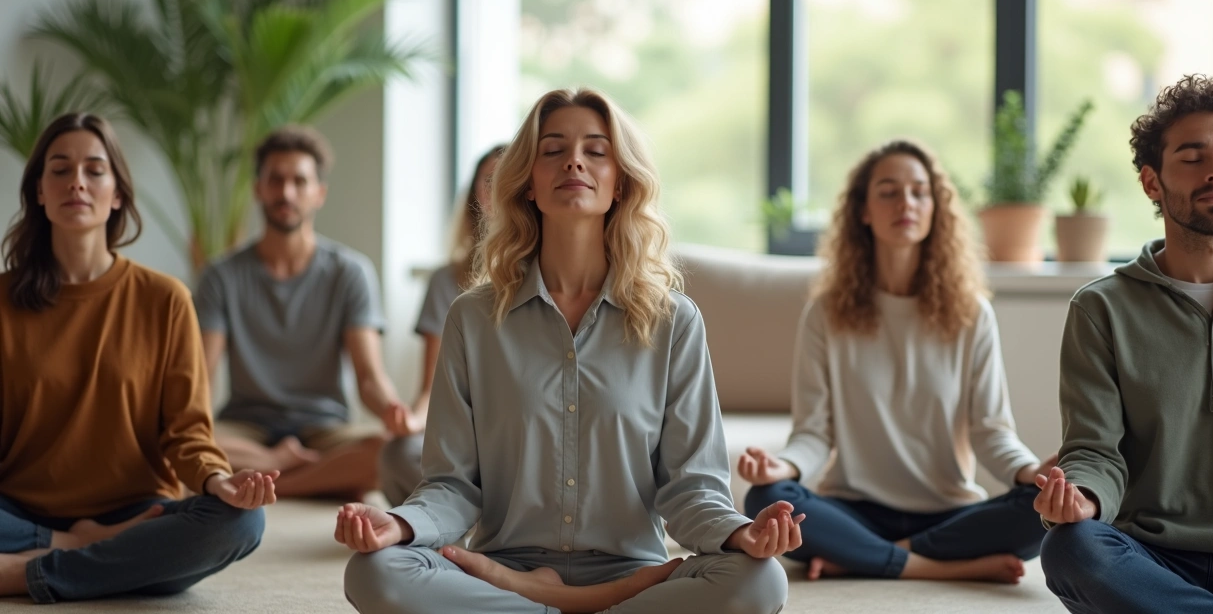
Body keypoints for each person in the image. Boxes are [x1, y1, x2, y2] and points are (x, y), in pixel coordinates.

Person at [336, 88, 801, 614]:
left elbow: (691, 488)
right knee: (375, 570)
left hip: (631, 570)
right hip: (501, 570)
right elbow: (452, 484)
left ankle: (548, 602)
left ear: (620, 183)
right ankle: (591, 605)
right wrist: (399, 523)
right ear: (529, 183)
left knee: (760, 581)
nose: (574, 160)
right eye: (553, 150)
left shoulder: (674, 321)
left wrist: (742, 535)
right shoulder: (473, 318)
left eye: (596, 151)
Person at [740, 140, 1054, 584]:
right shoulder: (827, 312)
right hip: (856, 509)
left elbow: (991, 432)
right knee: (766, 498)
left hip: (950, 512)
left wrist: (1031, 472)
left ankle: (869, 559)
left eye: (919, 192)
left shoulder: (971, 313)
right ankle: (938, 567)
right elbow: (813, 433)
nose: (906, 202)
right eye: (888, 191)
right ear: (863, 211)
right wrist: (783, 467)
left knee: (1042, 510)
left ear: (935, 208)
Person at [0, 113, 274, 603]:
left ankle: (25, 575)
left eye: (94, 169)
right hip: (18, 512)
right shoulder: (3, 299)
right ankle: (79, 553)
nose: (77, 182)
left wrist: (218, 480)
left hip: (136, 512)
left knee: (242, 521)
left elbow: (188, 430)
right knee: (150, 564)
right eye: (59, 170)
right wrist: (67, 538)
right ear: (39, 191)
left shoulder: (165, 299)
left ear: (119, 193)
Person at [1036, 73, 1213, 613]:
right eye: (1192, 156)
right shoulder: (1102, 308)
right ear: (1151, 182)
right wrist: (1083, 500)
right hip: (1152, 556)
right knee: (1071, 548)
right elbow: (1094, 449)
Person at [195, 125, 419, 501]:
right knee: (169, 446)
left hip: (324, 429)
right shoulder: (221, 276)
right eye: (275, 180)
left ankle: (275, 483)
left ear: (319, 193)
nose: (286, 192)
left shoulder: (350, 272)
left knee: (396, 451)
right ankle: (293, 467)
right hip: (245, 426)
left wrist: (394, 412)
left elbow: (369, 378)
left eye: (299, 181)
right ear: (258, 189)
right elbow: (201, 375)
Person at [380, 144, 505, 507]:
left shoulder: (552, 276)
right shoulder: (445, 281)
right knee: (395, 453)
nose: (498, 190)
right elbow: (431, 388)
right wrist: (413, 420)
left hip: (520, 438)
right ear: (474, 195)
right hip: (463, 436)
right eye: (489, 181)